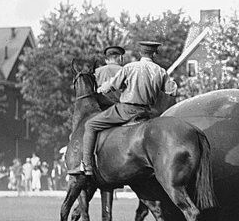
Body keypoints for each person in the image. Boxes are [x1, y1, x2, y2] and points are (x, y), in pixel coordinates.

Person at [71, 41, 177, 175]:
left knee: (90, 125)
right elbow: (172, 91)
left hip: (126, 110)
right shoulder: (161, 71)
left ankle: (86, 165)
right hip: (146, 112)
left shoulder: (130, 67)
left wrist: (100, 89)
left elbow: (112, 85)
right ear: (154, 54)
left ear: (140, 53)